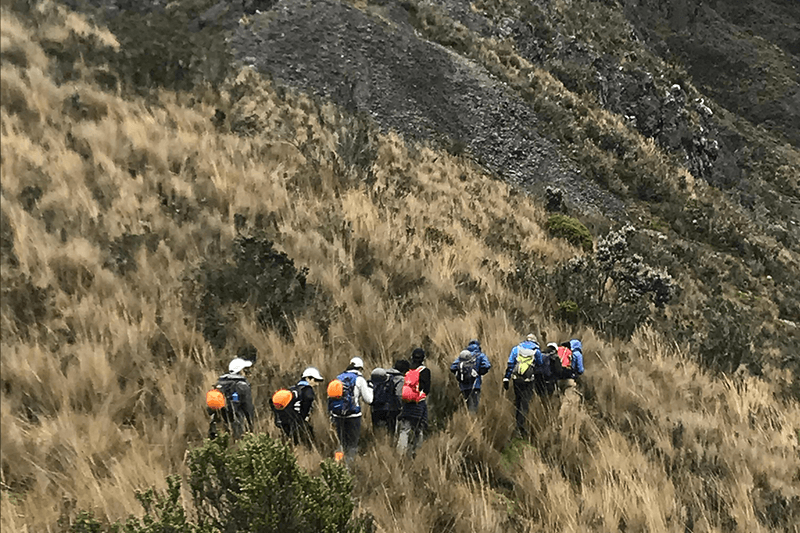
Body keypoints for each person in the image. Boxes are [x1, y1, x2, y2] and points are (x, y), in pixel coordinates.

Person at [328, 357, 373, 464]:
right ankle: (348, 468)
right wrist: (370, 388)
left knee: (340, 443)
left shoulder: (338, 378)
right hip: (353, 416)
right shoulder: (360, 379)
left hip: (337, 415)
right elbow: (369, 400)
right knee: (352, 444)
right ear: (360, 368)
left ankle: (337, 466)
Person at [502, 334, 544, 438]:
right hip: (528, 380)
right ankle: (520, 427)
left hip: (516, 379)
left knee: (518, 400)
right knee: (525, 403)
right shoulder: (536, 351)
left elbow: (511, 364)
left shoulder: (517, 349)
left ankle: (516, 425)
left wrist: (506, 378)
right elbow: (540, 364)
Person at [270, 367, 324, 446]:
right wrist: (302, 418)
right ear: (307, 378)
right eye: (315, 380)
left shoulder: (292, 389)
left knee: (292, 443)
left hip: (283, 421)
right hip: (297, 422)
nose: (317, 384)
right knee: (309, 444)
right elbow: (308, 401)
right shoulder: (307, 390)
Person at [208, 357, 255, 440]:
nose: (247, 372)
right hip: (236, 424)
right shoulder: (242, 385)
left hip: (219, 425)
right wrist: (250, 426)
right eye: (245, 369)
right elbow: (248, 408)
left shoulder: (220, 384)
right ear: (240, 370)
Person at [397, 348, 431, 456]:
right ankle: (417, 452)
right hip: (419, 402)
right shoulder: (425, 371)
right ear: (423, 358)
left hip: (407, 402)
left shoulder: (407, 370)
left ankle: (400, 453)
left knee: (404, 429)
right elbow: (427, 389)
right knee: (418, 429)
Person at [450, 339, 491, 413]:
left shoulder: (463, 355)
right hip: (475, 384)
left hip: (463, 386)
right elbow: (487, 365)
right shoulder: (480, 355)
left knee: (466, 406)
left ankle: (464, 421)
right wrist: (480, 372)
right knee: (474, 407)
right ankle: (472, 422)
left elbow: (453, 367)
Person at [371, 359, 410, 436]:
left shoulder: (382, 374)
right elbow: (398, 394)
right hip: (390, 409)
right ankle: (388, 446)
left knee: (377, 431)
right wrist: (400, 408)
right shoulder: (400, 378)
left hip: (376, 407)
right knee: (390, 432)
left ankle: (376, 445)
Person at [554, 339, 584, 416]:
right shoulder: (577, 353)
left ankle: (555, 414)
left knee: (560, 397)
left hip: (558, 378)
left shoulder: (561, 352)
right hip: (569, 378)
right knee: (568, 400)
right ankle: (563, 418)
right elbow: (580, 369)